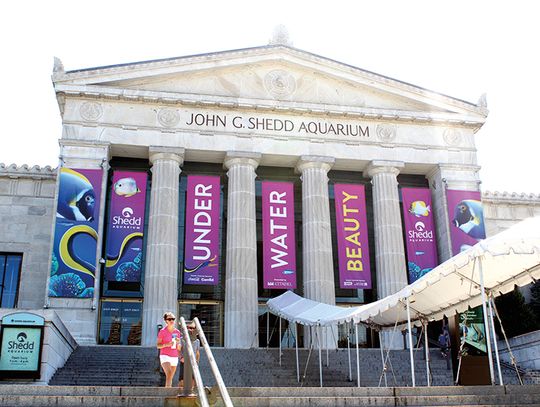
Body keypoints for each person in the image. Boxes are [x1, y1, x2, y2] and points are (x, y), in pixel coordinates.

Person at [156, 312, 182, 387]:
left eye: (173, 319)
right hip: (165, 355)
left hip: (174, 356)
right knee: (169, 373)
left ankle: (167, 393)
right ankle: (167, 392)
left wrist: (178, 343)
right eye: (169, 319)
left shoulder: (177, 332)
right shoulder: (162, 331)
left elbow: (178, 347)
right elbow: (158, 345)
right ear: (166, 321)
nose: (172, 320)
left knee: (170, 377)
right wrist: (166, 344)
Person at [178, 321, 200, 392]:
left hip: (193, 361)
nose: (191, 330)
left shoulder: (197, 341)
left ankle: (192, 392)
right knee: (182, 379)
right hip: (184, 360)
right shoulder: (182, 339)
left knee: (193, 378)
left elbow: (197, 352)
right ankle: (180, 392)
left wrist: (197, 361)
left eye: (193, 328)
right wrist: (181, 358)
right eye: (189, 328)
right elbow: (178, 350)